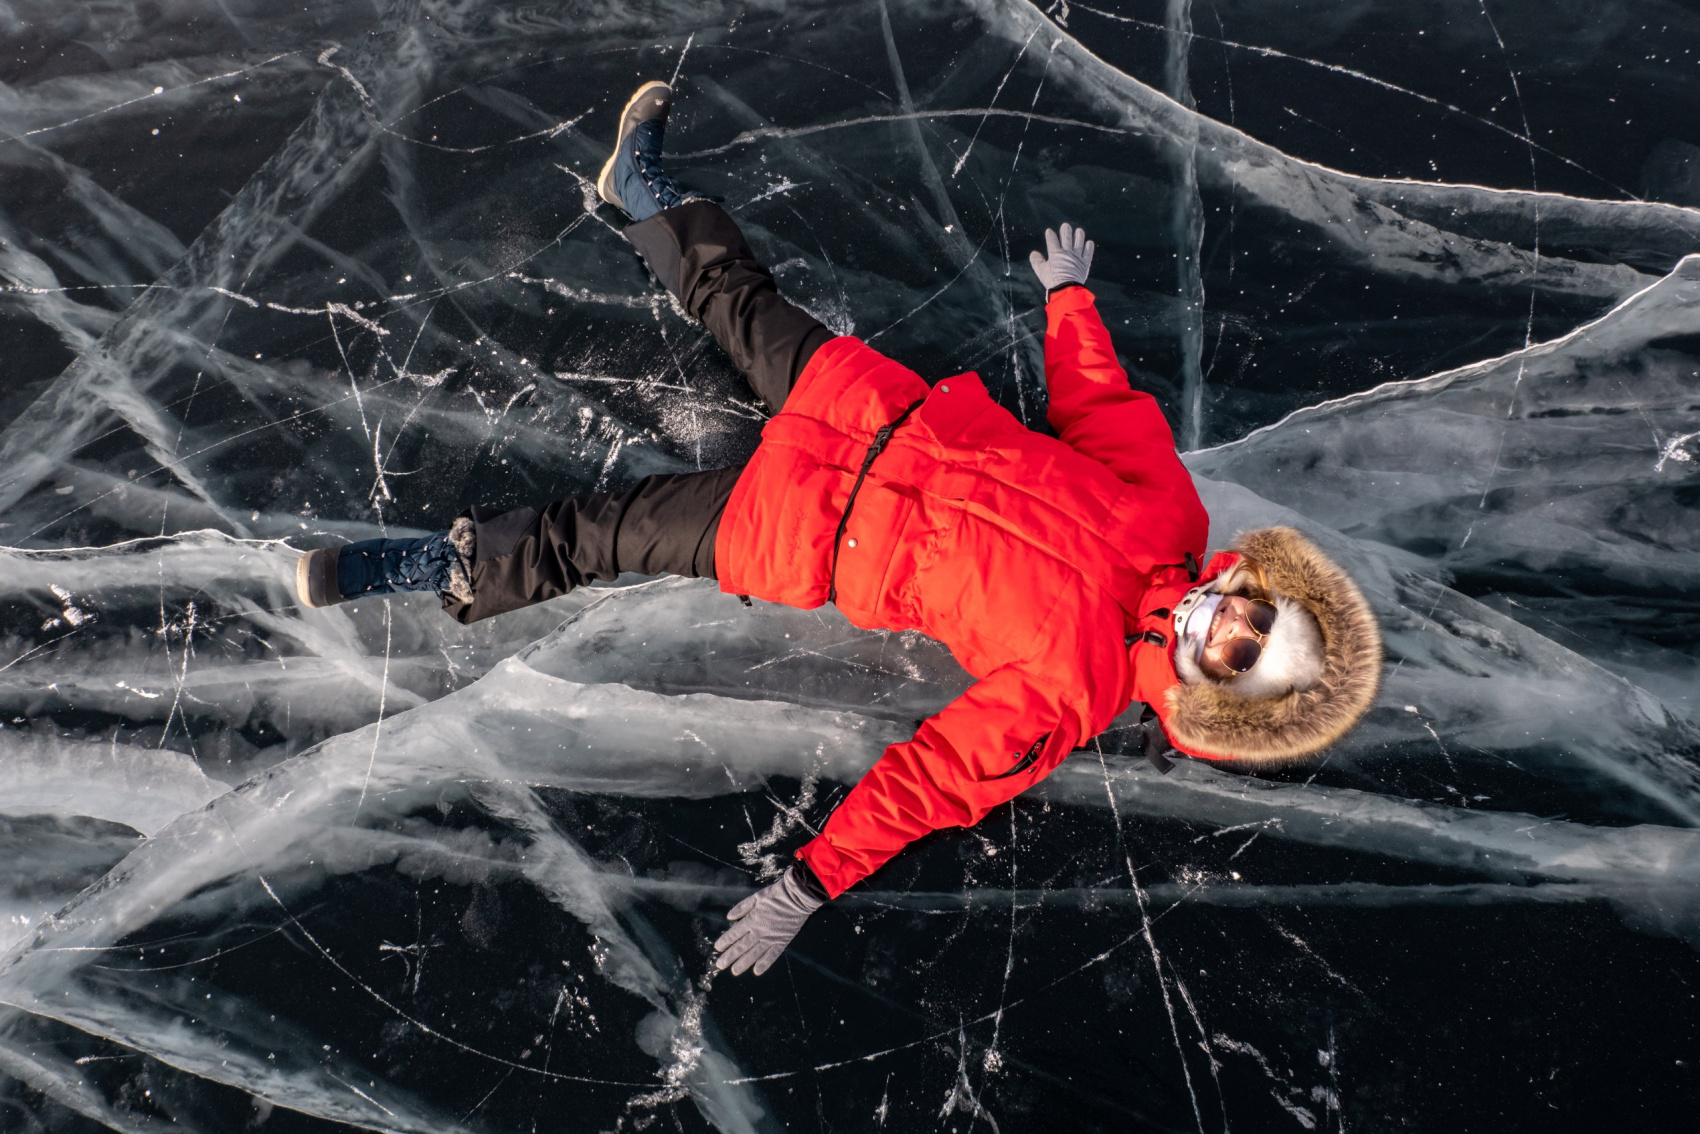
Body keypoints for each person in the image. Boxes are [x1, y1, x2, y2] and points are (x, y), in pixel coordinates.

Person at [295, 81, 1383, 977]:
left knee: (598, 536)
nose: (1221, 618)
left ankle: (430, 568)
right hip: (874, 407)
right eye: (1252, 609)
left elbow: (929, 782)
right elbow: (1098, 409)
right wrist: (1070, 306)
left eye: (1235, 649)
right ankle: (638, 192)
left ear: (1216, 690)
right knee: (737, 296)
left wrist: (804, 886)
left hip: (806, 535)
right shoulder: (1171, 514)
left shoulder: (1074, 691)